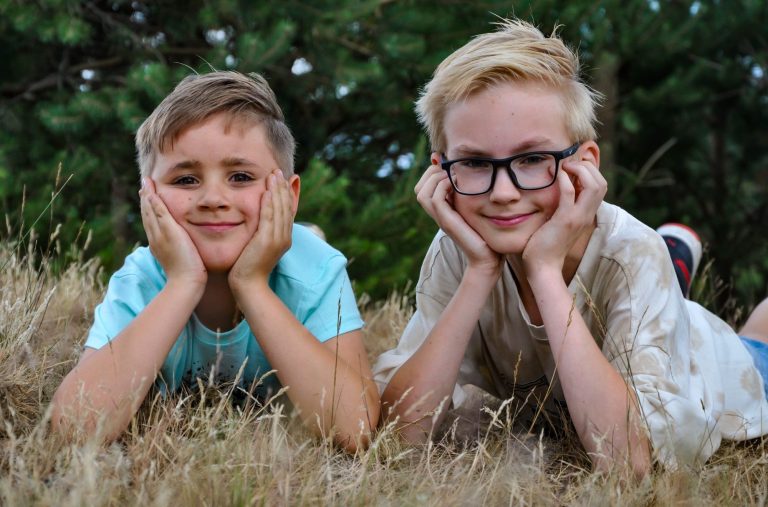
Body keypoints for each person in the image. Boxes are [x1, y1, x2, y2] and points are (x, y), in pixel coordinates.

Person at [373, 19, 768, 474]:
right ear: (442, 171)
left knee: (754, 347)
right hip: (644, 326)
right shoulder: (457, 250)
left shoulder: (630, 251)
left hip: (724, 368)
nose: (503, 193)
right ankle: (679, 270)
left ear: (584, 164)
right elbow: (399, 437)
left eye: (532, 159)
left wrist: (543, 269)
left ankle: (703, 290)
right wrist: (480, 270)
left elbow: (629, 463)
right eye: (476, 163)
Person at [52, 71, 379, 451]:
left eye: (240, 176)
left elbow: (356, 430)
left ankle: (305, 228)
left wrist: (252, 284)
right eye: (186, 180)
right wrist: (183, 282)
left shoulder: (315, 269)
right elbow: (73, 429)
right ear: (148, 197)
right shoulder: (141, 278)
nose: (212, 198)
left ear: (288, 197)